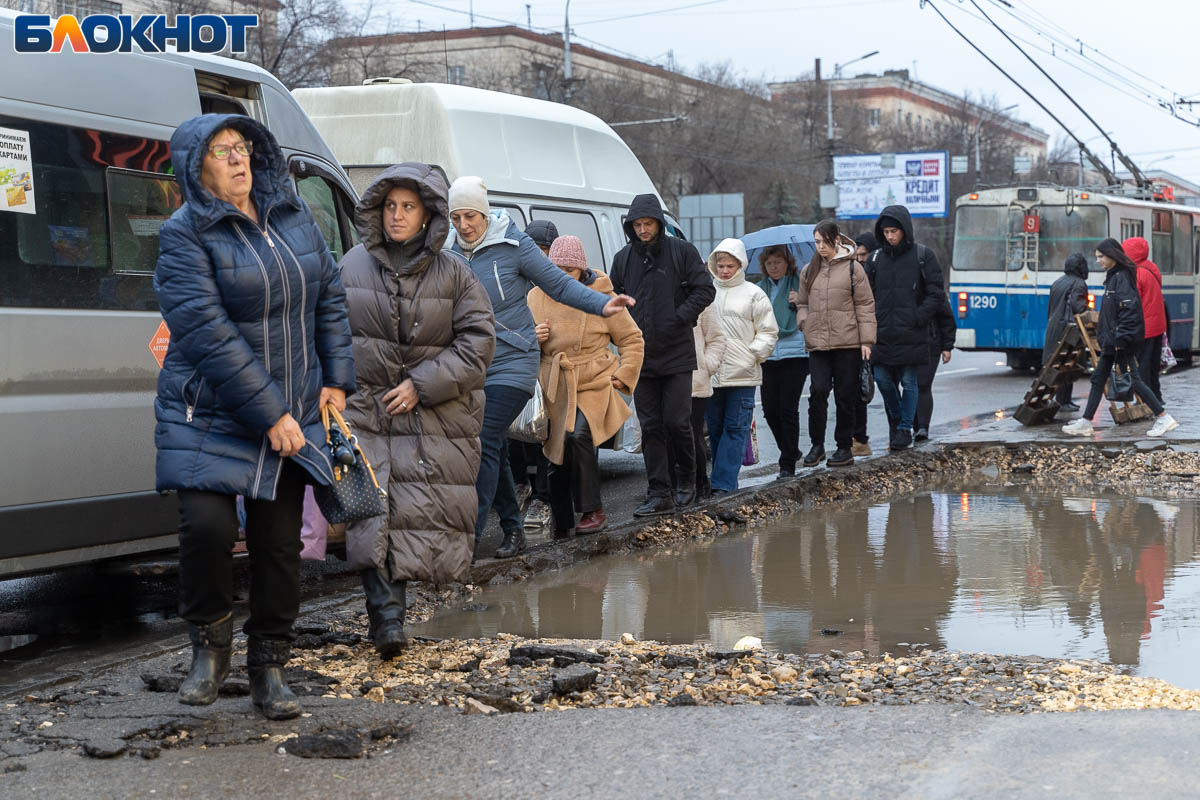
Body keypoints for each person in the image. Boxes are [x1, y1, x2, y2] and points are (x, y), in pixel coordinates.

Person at [154, 114, 357, 720]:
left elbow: (329, 299)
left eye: (242, 148)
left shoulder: (295, 218)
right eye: (221, 152)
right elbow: (208, 334)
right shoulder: (184, 233)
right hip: (210, 413)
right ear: (198, 167)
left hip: (294, 411)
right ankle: (209, 647)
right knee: (208, 530)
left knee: (278, 546)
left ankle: (269, 666)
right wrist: (269, 412)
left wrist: (336, 383)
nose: (237, 161)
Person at [338, 163, 495, 658]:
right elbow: (329, 332)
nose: (397, 216)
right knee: (369, 511)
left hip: (431, 417)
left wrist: (421, 384)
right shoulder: (351, 266)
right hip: (365, 412)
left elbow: (478, 343)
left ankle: (394, 617)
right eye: (390, 206)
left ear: (429, 215)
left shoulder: (455, 274)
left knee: (411, 514)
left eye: (408, 207)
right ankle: (385, 620)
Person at [446, 177, 634, 558]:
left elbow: (559, 286)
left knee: (481, 439)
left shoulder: (514, 245)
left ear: (484, 213)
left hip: (516, 360)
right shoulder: (446, 253)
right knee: (493, 445)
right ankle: (513, 531)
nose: (463, 225)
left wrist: (602, 305)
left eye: (470, 215)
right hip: (472, 363)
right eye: (455, 217)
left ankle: (465, 540)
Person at [529, 235, 644, 538]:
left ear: (582, 269)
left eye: (569, 269)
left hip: (594, 380)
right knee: (555, 450)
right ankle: (562, 518)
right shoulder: (535, 297)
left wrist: (624, 376)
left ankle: (594, 510)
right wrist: (533, 339)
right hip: (555, 382)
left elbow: (632, 339)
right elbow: (518, 344)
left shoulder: (600, 292)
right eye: (556, 269)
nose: (562, 275)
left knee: (577, 435)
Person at [610, 194, 715, 516]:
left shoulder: (682, 252)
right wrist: (623, 328)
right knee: (651, 426)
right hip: (640, 355)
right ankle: (659, 491)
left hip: (677, 353)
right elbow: (614, 297)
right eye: (638, 225)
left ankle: (689, 482)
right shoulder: (624, 258)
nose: (643, 230)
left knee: (677, 421)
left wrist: (679, 316)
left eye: (648, 224)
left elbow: (705, 289)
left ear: (659, 223)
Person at [1063, 239, 1178, 438]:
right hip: (1113, 339)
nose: (1097, 261)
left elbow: (1128, 311)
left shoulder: (1121, 278)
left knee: (1135, 380)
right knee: (1099, 378)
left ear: (1112, 256)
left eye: (1101, 257)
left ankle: (1164, 417)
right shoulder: (1116, 276)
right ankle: (1086, 421)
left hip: (1118, 341)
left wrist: (1119, 340)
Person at [794, 220, 876, 468]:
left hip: (847, 343)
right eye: (816, 241)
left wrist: (866, 340)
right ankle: (817, 445)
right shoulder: (809, 271)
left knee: (845, 396)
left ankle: (843, 447)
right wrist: (804, 322)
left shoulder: (853, 269)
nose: (820, 246)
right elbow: (802, 303)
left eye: (824, 241)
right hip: (818, 343)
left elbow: (865, 305)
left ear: (836, 240)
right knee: (817, 392)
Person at [865, 205, 945, 451]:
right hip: (883, 333)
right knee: (882, 380)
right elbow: (866, 295)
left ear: (904, 230)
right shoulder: (876, 259)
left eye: (894, 231)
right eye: (886, 231)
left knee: (910, 383)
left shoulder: (923, 255)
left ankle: (904, 428)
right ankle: (900, 420)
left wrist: (917, 316)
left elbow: (936, 294)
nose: (890, 236)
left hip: (911, 332)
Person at [706, 238, 778, 493]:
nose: (725, 270)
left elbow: (769, 331)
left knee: (736, 428)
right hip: (711, 372)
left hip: (743, 375)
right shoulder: (705, 291)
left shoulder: (754, 293)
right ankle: (722, 481)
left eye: (730, 266)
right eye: (721, 265)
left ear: (741, 265)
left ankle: (722, 485)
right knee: (714, 429)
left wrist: (753, 354)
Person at [511, 219, 559, 530]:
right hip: (515, 368)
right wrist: (528, 335)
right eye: (534, 249)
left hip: (551, 374)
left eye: (544, 250)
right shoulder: (513, 278)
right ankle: (519, 483)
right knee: (510, 433)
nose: (539, 256)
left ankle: (543, 498)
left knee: (546, 436)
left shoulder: (559, 283)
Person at [758, 244, 808, 478]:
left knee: (788, 409)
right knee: (769, 409)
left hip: (795, 354)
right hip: (768, 355)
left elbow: (818, 309)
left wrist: (801, 301)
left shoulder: (801, 284)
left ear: (787, 262)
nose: (774, 267)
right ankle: (790, 449)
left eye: (778, 262)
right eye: (769, 264)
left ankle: (787, 463)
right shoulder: (759, 289)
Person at [678, 301, 727, 499]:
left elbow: (717, 338)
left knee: (692, 433)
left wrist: (707, 365)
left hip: (695, 379)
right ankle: (675, 486)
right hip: (663, 377)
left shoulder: (701, 299)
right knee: (665, 435)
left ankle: (700, 484)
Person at [1042, 253, 1090, 413]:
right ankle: (1064, 401)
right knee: (1069, 365)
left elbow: (1051, 309)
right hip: (1068, 330)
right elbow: (1078, 307)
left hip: (1054, 328)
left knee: (1060, 366)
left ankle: (1063, 401)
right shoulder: (1079, 283)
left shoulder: (1058, 282)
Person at [1122, 236, 1167, 406]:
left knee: (1143, 365)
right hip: (1158, 324)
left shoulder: (1136, 273)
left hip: (1145, 325)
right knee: (1153, 364)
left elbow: (1134, 302)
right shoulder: (1152, 268)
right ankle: (1156, 395)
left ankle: (1147, 401)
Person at [914, 298, 956, 441]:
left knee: (923, 385)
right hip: (905, 342)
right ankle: (912, 426)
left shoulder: (932, 287)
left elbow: (946, 319)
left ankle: (922, 427)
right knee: (909, 385)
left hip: (930, 343)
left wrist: (946, 346)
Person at [851, 232, 878, 456]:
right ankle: (859, 439)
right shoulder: (854, 275)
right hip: (861, 339)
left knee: (889, 385)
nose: (861, 259)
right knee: (860, 389)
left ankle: (902, 431)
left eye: (864, 254)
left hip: (882, 338)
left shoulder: (882, 272)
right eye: (857, 255)